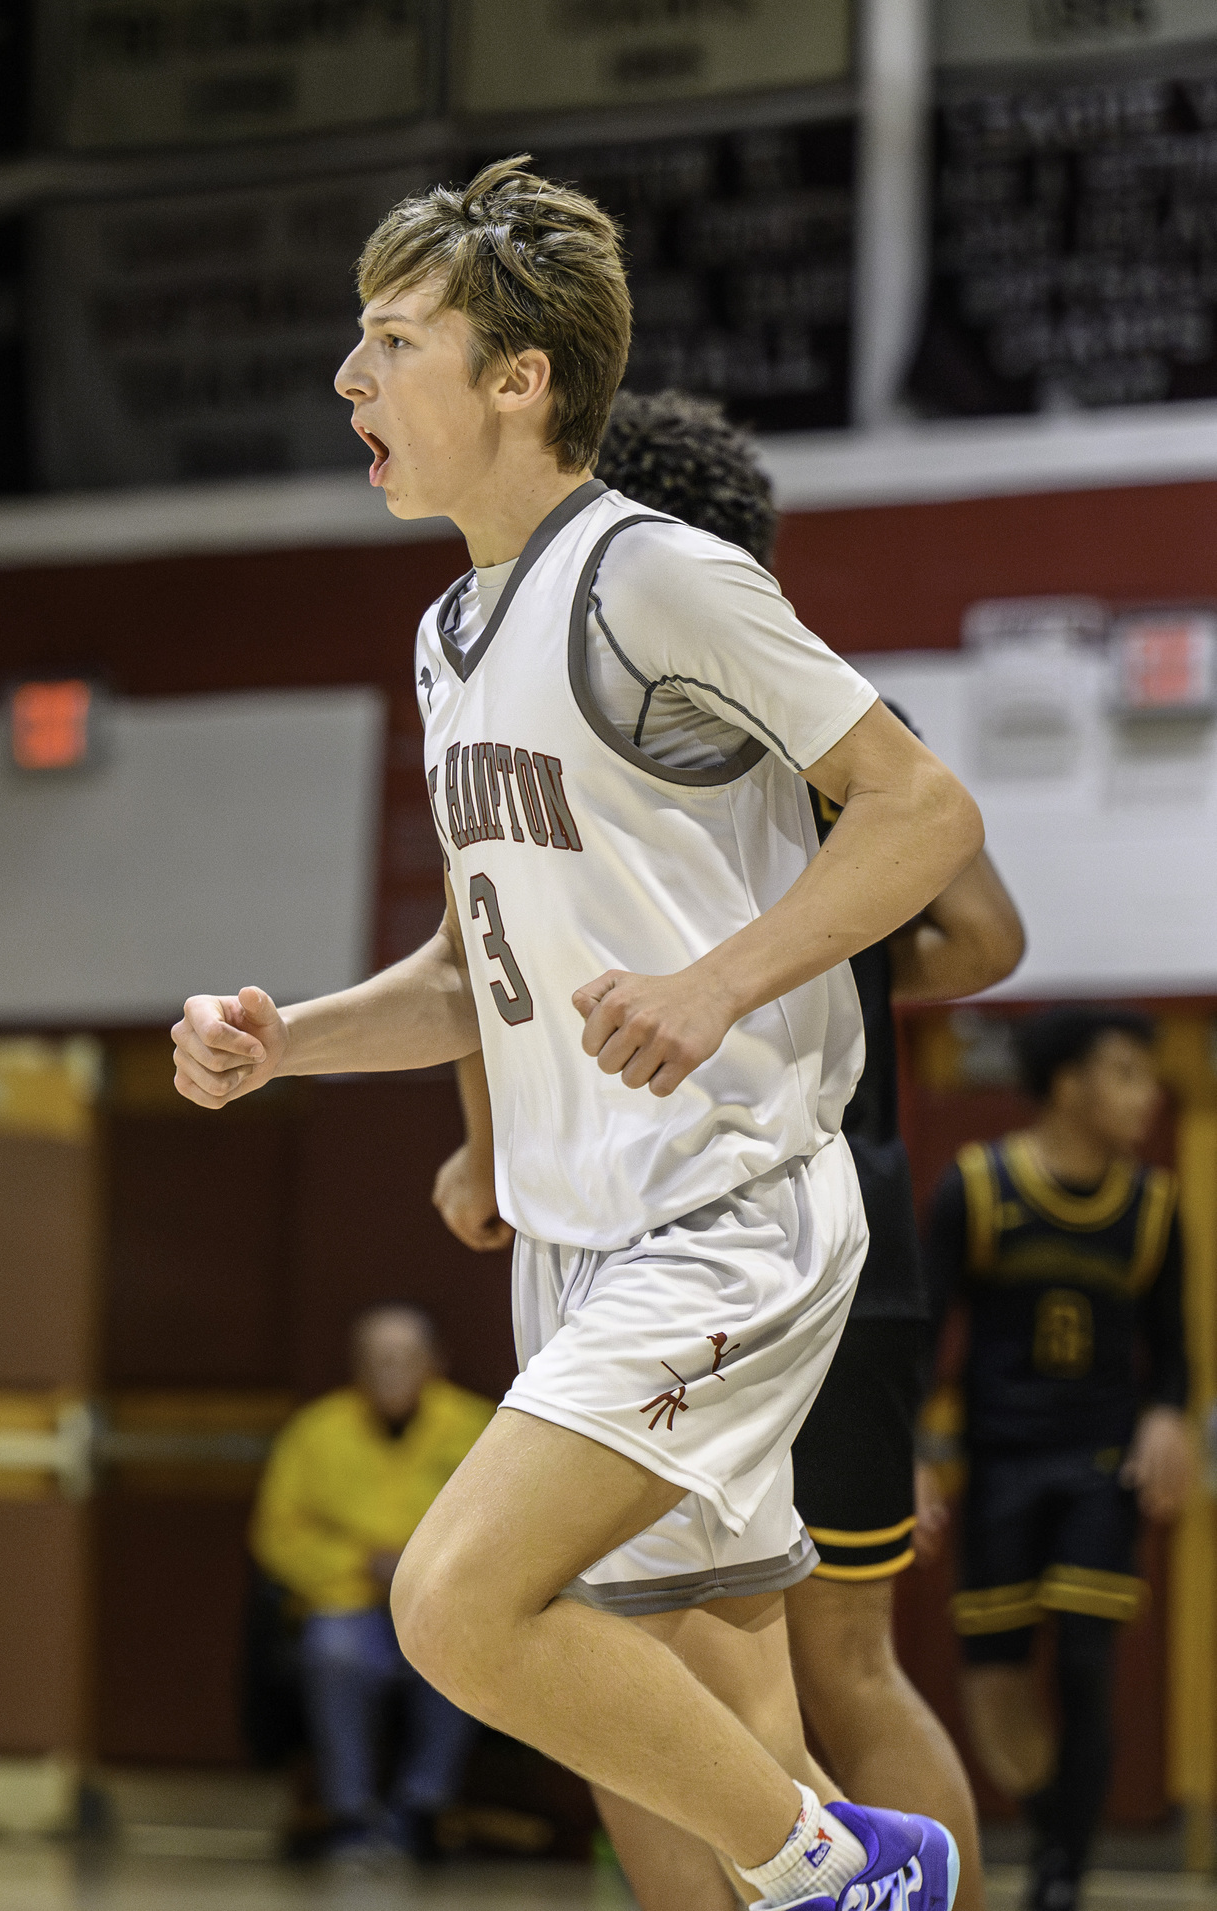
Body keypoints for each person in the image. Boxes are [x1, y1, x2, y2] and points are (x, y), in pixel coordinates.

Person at [174, 156, 985, 1910]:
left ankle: (854, 1870)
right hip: (585, 1240)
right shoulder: (450, 634)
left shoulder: (656, 577)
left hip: (727, 1225)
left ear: (520, 378)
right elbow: (489, 964)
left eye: (391, 343)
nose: (350, 381)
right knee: (691, 1744)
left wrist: (720, 982)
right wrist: (286, 1041)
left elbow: (921, 814)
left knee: (457, 1603)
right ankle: (819, 1859)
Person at [433, 389, 1024, 1911]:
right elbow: (977, 939)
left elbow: (947, 866)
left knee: (703, 1647)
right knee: (713, 1660)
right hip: (731, 1203)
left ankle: (856, 1871)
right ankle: (842, 1874)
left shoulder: (749, 684)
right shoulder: (524, 660)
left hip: (754, 1198)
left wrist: (754, 965)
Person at [921, 1006, 1193, 1911]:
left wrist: (1169, 1417)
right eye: (1125, 1073)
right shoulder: (978, 1187)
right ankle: (1054, 1827)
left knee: (1086, 1658)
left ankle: (1060, 1874)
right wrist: (917, 1451)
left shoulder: (1155, 1207)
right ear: (1068, 1084)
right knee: (994, 1682)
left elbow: (1176, 1355)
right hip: (1000, 1464)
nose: (1146, 1095)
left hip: (1101, 1463)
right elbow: (922, 1337)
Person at [250, 1304, 493, 1860]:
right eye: (376, 1360)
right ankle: (351, 1815)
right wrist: (359, 1563)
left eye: (404, 1359)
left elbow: (506, 1524)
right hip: (347, 1599)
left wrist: (425, 1565)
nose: (390, 1372)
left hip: (441, 1600)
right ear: (356, 1367)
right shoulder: (316, 1431)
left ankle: (421, 1808)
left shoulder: (481, 1427)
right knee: (334, 1654)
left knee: (460, 1654)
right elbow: (277, 1534)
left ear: (435, 1363)